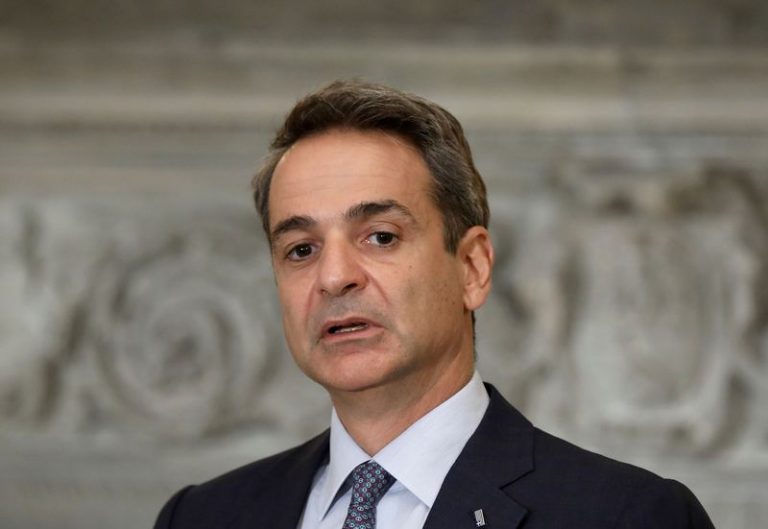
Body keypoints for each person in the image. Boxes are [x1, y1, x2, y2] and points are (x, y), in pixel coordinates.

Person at [153, 80, 715, 529]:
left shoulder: (627, 516)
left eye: (381, 237)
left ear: (472, 268)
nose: (334, 277)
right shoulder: (201, 517)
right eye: (301, 249)